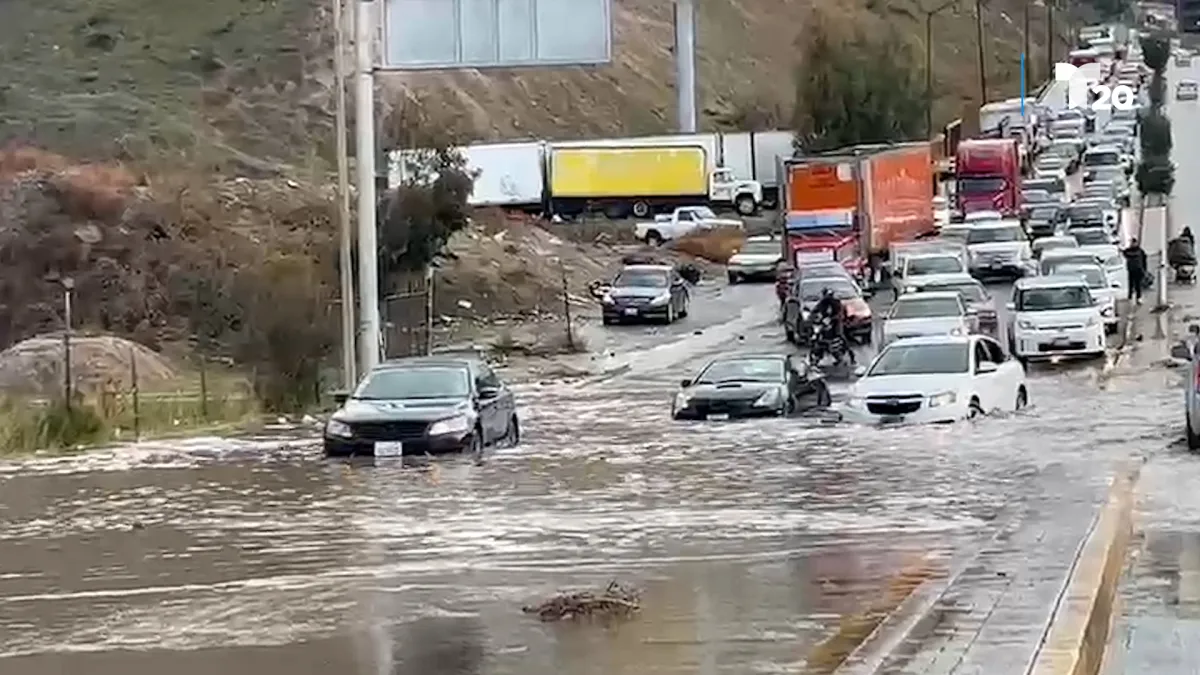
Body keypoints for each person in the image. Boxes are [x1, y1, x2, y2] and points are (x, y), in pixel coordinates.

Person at [1124, 238, 1148, 304]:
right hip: (1132, 270)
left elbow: (1144, 261)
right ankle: (1131, 297)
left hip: (1137, 270)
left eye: (1133, 243)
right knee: (1131, 284)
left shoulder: (1139, 251)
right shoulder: (1138, 251)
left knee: (1137, 285)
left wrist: (1144, 270)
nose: (1132, 244)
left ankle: (1137, 297)